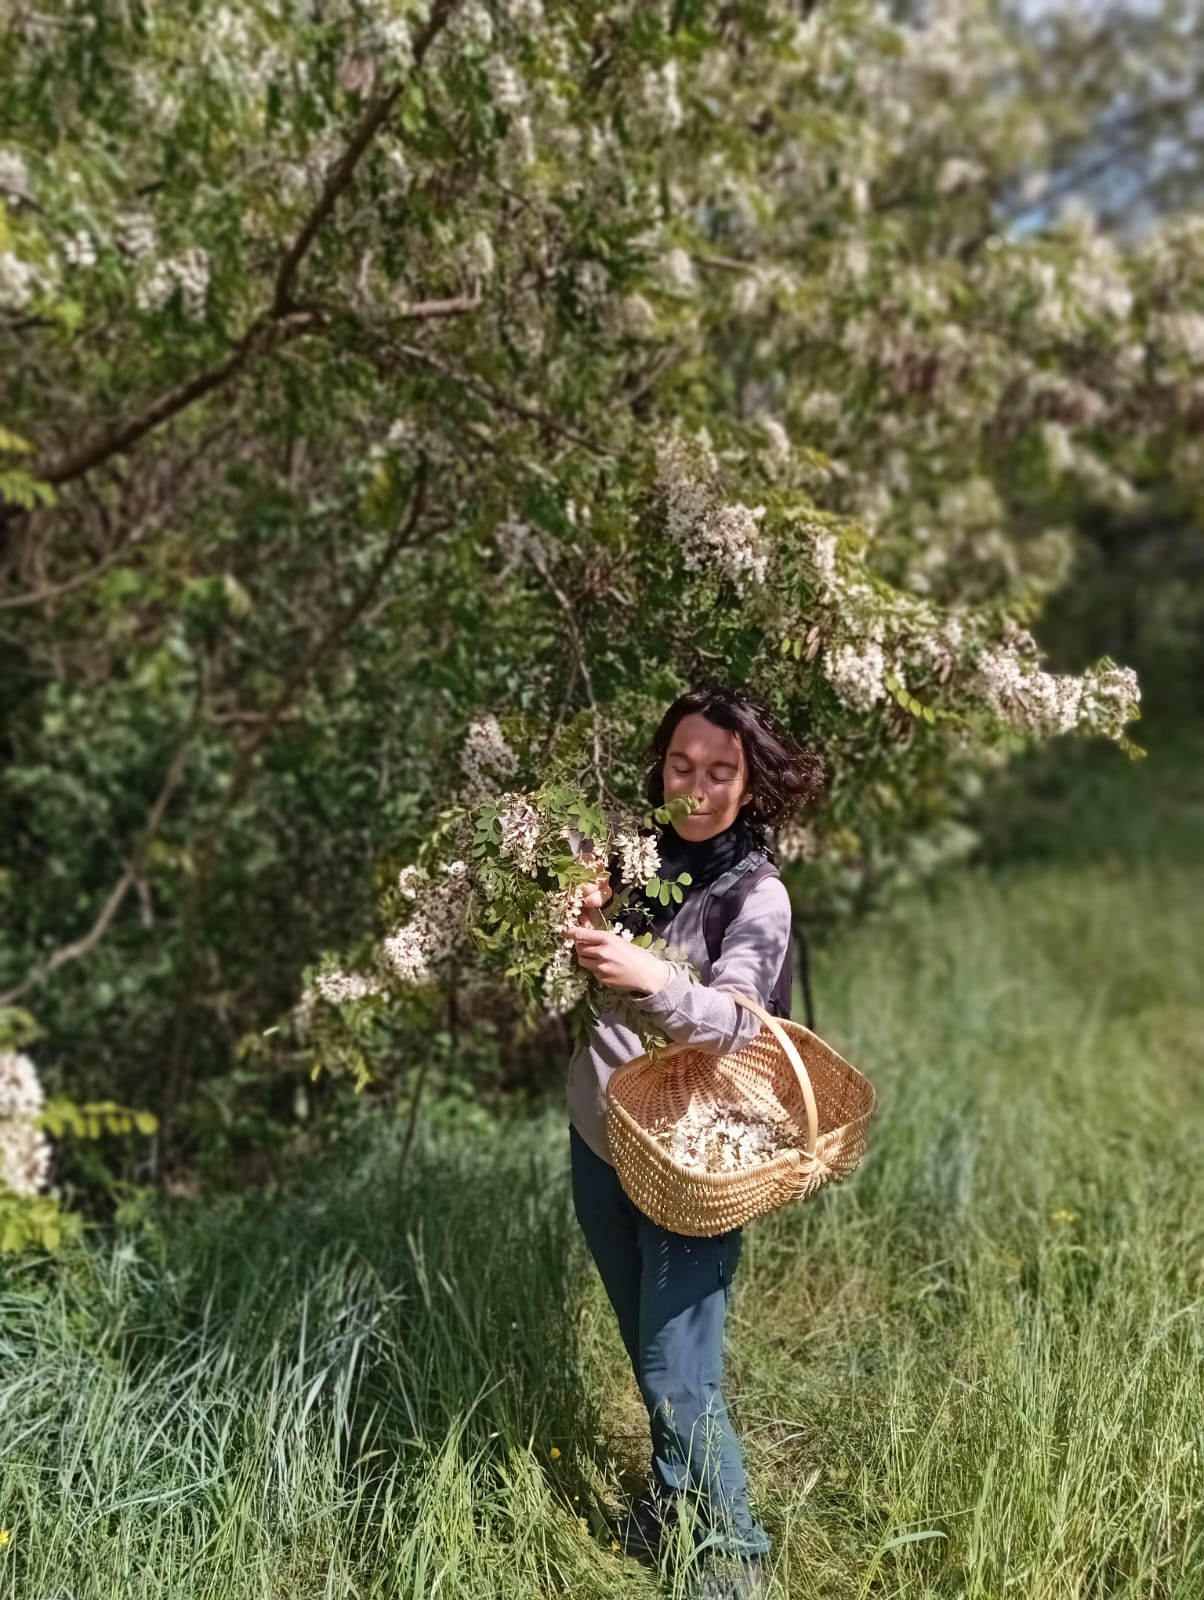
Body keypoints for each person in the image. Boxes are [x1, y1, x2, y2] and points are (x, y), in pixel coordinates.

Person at [564, 683, 825, 1600]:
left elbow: (743, 1024)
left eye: (721, 772)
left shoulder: (756, 896)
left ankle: (738, 1561)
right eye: (682, 765)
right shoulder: (638, 859)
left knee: (680, 1371)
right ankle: (672, 1506)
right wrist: (582, 920)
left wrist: (651, 976)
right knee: (650, 1353)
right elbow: (587, 974)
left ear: (749, 785)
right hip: (601, 1143)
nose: (698, 786)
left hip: (693, 1161)